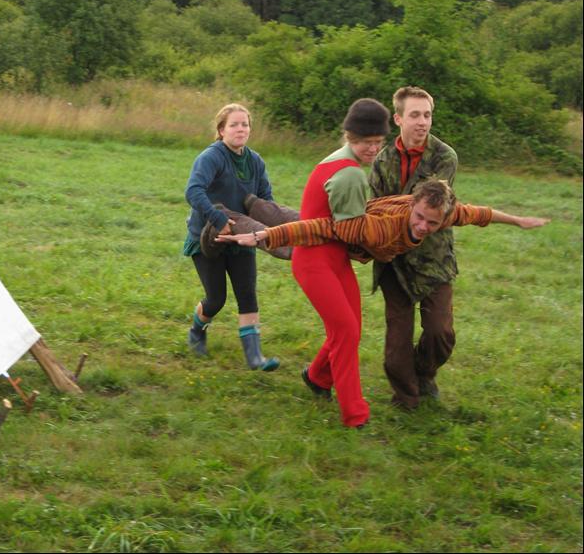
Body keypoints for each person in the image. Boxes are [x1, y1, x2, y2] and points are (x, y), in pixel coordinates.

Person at [270, 98, 392, 428]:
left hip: (333, 258)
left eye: (379, 142)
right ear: (350, 136)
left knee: (350, 328)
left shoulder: (341, 161)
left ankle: (317, 377)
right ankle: (355, 414)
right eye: (367, 142)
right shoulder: (349, 174)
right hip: (315, 261)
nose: (373, 149)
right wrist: (386, 239)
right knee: (345, 332)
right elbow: (353, 231)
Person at [368, 86, 459, 408]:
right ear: (398, 119)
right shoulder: (382, 161)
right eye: (415, 115)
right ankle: (406, 397)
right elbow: (375, 209)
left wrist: (395, 213)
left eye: (427, 115)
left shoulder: (445, 157)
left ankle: (424, 373)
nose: (422, 122)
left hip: (434, 258)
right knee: (397, 344)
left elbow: (428, 205)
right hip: (394, 261)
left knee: (440, 333)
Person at [217, 179, 550, 263]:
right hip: (343, 236)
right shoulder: (383, 228)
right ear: (413, 204)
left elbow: (481, 214)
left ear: (444, 218)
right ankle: (224, 212)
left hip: (345, 221)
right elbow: (321, 229)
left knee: (290, 216)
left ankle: (246, 198)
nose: (423, 227)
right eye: (419, 218)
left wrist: (518, 220)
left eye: (432, 224)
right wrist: (260, 238)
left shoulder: (445, 212)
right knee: (287, 243)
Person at [183, 103, 279, 371]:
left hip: (242, 239)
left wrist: (270, 226)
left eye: (245, 124)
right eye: (234, 124)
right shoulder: (211, 157)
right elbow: (193, 191)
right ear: (221, 130)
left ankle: (255, 358)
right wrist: (219, 220)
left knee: (247, 294)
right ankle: (197, 331)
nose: (240, 129)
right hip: (208, 238)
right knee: (216, 299)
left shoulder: (255, 161)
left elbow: (265, 199)